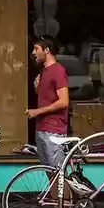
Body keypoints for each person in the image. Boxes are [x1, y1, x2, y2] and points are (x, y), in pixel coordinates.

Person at [29, 37, 70, 168]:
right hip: (41, 129)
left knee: (58, 175)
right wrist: (37, 88)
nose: (33, 53)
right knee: (50, 174)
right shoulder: (44, 71)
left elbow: (64, 101)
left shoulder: (58, 70)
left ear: (46, 50)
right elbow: (47, 98)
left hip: (54, 131)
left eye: (36, 49)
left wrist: (37, 111)